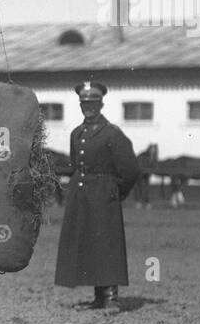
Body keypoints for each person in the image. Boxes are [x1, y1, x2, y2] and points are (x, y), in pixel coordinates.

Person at [53, 81, 140, 310]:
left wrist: (115, 191)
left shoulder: (112, 133)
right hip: (81, 195)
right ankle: (98, 296)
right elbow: (75, 165)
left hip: (104, 194)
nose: (88, 107)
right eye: (84, 103)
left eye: (92, 103)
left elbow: (130, 169)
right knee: (89, 242)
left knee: (106, 243)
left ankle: (111, 297)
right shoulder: (77, 133)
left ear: (101, 104)